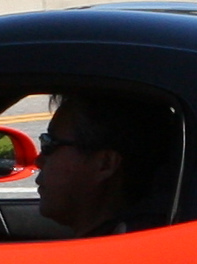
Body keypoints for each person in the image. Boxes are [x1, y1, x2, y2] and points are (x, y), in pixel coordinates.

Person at [34, 90, 180, 235]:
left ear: (105, 164)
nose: (38, 160)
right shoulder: (145, 242)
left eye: (49, 144)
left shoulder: (120, 253)